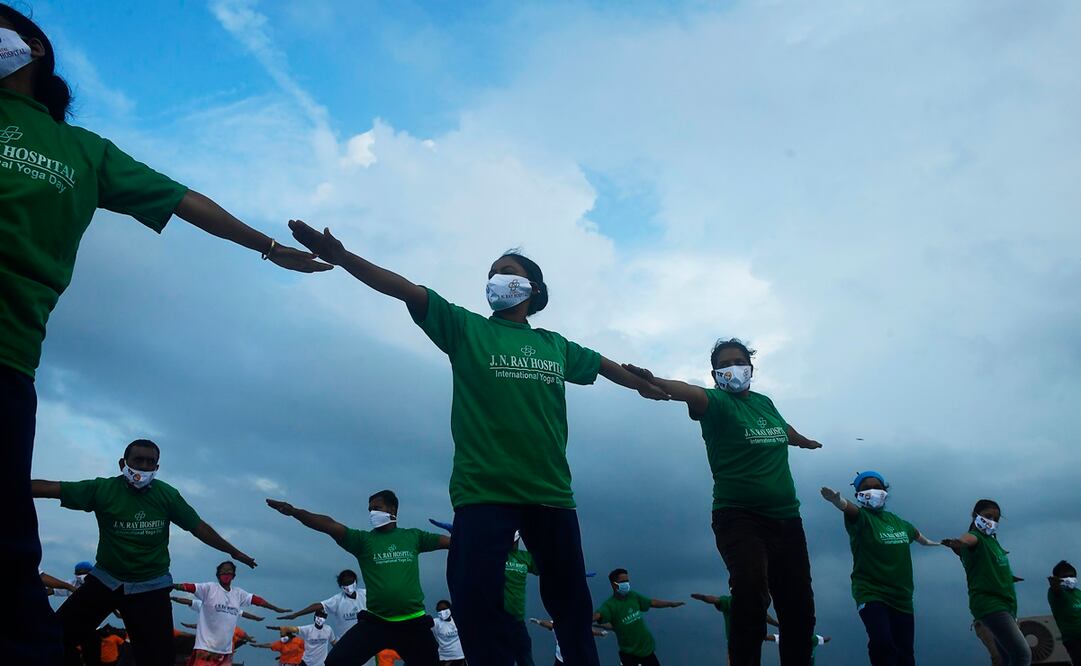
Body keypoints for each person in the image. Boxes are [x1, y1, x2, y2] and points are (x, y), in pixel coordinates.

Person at [0, 5, 330, 662]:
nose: (143, 469)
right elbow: (58, 489)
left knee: (8, 549)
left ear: (31, 47)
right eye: (141, 461)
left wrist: (267, 245)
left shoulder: (86, 151)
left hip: (9, 355)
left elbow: (184, 200)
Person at [287, 221, 668, 666]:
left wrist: (640, 384)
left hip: (550, 492)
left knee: (570, 601)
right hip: (483, 489)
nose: (494, 280)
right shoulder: (465, 328)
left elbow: (604, 365)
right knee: (471, 593)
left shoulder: (556, 345)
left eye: (505, 270)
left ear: (532, 287)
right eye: (490, 272)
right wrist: (344, 257)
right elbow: (406, 290)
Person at [623, 338, 822, 666]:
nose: (733, 369)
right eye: (724, 365)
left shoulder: (765, 403)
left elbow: (782, 428)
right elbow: (686, 390)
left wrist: (802, 441)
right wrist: (654, 380)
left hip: (787, 520)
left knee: (799, 607)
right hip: (739, 518)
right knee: (750, 589)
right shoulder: (714, 402)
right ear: (715, 374)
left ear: (750, 368)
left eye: (738, 362)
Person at [31, 439, 260, 666]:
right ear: (123, 464)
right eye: (137, 460)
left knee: (157, 659)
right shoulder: (101, 489)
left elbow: (198, 527)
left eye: (150, 462)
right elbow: (53, 488)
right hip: (106, 580)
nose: (143, 466)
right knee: (54, 638)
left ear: (157, 468)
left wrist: (234, 552)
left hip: (151, 586)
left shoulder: (167, 495)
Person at [266, 489, 448, 665]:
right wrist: (294, 512)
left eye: (376, 508)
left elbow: (450, 542)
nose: (371, 513)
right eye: (369, 509)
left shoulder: (413, 536)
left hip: (413, 623)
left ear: (392, 510)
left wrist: (463, 531)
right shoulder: (363, 541)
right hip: (377, 623)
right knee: (336, 662)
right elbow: (329, 525)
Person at [820, 471, 943, 666]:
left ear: (885, 491)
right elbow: (851, 510)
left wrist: (933, 543)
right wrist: (839, 502)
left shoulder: (899, 522)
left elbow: (918, 536)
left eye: (877, 487)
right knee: (882, 643)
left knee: (905, 654)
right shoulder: (862, 518)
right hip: (872, 593)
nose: (873, 491)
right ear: (859, 494)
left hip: (902, 597)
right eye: (866, 488)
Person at [943, 499, 1030, 666]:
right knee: (1022, 654)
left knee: (1006, 657)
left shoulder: (992, 541)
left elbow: (988, 566)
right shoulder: (976, 537)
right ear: (975, 515)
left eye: (996, 519)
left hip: (1007, 604)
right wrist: (960, 542)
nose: (992, 521)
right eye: (987, 516)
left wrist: (1008, 577)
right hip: (991, 605)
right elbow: (968, 539)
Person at [173, 560, 289, 666]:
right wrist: (173, 587)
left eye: (229, 571)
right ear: (218, 574)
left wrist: (275, 608)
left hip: (225, 652)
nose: (226, 573)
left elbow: (256, 601)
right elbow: (190, 588)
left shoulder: (238, 594)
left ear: (234, 575)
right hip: (206, 649)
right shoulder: (209, 589)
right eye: (223, 571)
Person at [275, 570, 371, 666]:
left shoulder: (366, 594)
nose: (348, 587)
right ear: (341, 586)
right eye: (345, 584)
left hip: (365, 641)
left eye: (350, 582)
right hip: (346, 643)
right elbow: (318, 606)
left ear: (355, 581)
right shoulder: (337, 600)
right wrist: (296, 614)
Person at [592, 569, 684, 666]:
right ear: (614, 584)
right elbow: (599, 614)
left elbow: (651, 602)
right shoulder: (610, 605)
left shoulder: (633, 596)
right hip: (629, 654)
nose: (626, 584)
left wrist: (670, 604)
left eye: (627, 581)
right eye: (623, 582)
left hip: (647, 650)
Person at [689, 593, 777, 665]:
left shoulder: (731, 601)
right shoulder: (738, 601)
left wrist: (703, 598)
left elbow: (716, 600)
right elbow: (715, 600)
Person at [267, 608, 338, 666]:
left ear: (325, 618)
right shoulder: (308, 629)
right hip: (306, 663)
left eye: (322, 617)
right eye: (318, 616)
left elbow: (333, 642)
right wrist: (282, 628)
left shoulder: (328, 629)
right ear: (314, 616)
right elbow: (295, 629)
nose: (320, 618)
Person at [529, 619, 607, 666]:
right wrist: (538, 622)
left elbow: (589, 631)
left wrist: (600, 633)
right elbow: (548, 624)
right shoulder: (558, 624)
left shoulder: (574, 625)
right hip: (560, 659)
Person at [1047, 560, 1081, 664]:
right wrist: (1055, 584)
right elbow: (1057, 590)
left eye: (1072, 576)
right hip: (1073, 639)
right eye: (1066, 577)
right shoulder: (1054, 593)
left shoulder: (1078, 592)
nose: (1070, 579)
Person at [170, 595, 266, 622]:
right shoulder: (202, 604)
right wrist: (173, 598)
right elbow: (187, 601)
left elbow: (243, 614)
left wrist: (255, 618)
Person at [432, 600, 466, 666]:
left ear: (449, 609)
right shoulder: (436, 623)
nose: (442, 612)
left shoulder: (457, 619)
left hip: (461, 656)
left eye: (444, 609)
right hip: (446, 658)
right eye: (439, 610)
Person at [763, 634, 831, 665]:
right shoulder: (791, 638)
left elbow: (775, 638)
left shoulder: (812, 638)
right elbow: (776, 638)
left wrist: (766, 637)